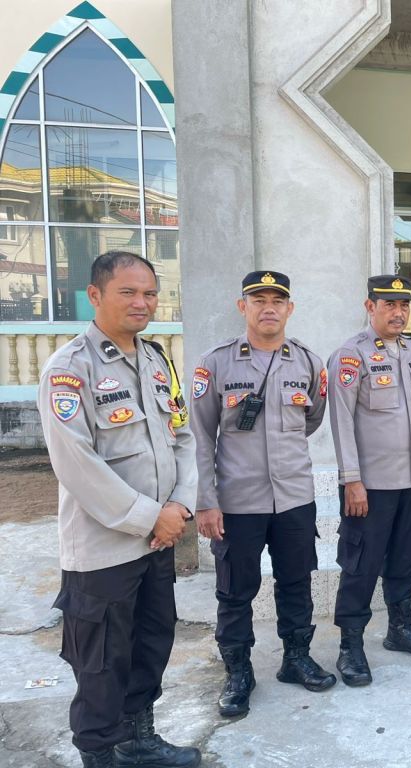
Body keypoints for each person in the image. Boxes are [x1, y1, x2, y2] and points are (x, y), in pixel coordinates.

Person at [38, 251, 200, 768]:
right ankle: (99, 753)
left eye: (149, 293)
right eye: (128, 292)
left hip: (157, 542)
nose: (141, 302)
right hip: (104, 550)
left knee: (151, 644)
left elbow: (182, 437)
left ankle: (137, 738)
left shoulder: (157, 360)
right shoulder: (71, 369)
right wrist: (152, 517)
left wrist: (180, 505)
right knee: (102, 663)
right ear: (95, 295)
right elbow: (76, 464)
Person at [190, 270, 336, 718]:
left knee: (296, 581)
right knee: (235, 590)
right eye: (259, 300)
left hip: (294, 497)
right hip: (238, 502)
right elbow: (200, 437)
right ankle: (238, 672)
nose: (268, 308)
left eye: (277, 300)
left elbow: (312, 419)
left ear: (290, 309)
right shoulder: (216, 364)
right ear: (243, 307)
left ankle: (296, 658)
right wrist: (206, 501)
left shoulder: (309, 363)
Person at [327, 275, 411, 687]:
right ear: (369, 306)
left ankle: (400, 629)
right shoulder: (350, 355)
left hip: (409, 482)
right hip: (369, 486)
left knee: (404, 560)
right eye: (389, 304)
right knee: (360, 566)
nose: (398, 312)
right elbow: (340, 421)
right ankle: (350, 646)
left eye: (404, 305)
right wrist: (351, 480)